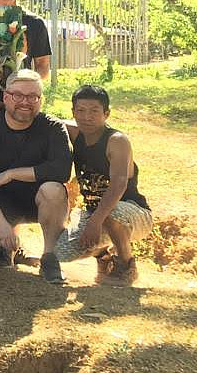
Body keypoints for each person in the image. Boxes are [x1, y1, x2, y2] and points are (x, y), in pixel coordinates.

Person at [0, 70, 71, 283]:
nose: (25, 102)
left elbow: (61, 170)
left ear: (41, 100)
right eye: (18, 95)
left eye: (33, 96)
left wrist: (11, 174)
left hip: (40, 201)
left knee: (54, 189)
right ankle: (1, 244)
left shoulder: (53, 127)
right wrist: (1, 223)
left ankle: (49, 256)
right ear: (5, 97)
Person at [54, 85, 151, 286]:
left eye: (94, 111)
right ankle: (104, 256)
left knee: (110, 212)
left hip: (131, 212)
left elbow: (118, 186)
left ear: (106, 114)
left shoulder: (117, 141)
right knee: (60, 253)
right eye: (80, 111)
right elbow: (38, 118)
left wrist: (95, 222)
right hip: (95, 214)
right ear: (73, 113)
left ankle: (126, 264)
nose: (87, 117)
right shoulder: (72, 132)